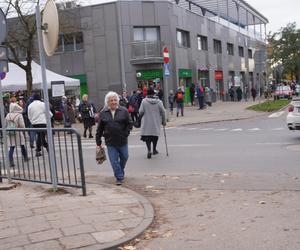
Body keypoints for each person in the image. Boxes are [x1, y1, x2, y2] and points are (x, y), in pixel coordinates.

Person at [96, 91, 133, 185]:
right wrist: (98, 142)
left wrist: (126, 133)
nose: (113, 102)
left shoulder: (123, 110)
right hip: (110, 141)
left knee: (125, 157)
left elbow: (130, 123)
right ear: (107, 102)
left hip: (122, 140)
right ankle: (119, 177)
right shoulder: (103, 113)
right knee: (114, 161)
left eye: (115, 100)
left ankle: (119, 171)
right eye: (111, 100)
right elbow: (99, 128)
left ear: (118, 101)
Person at [139, 88, 166, 159]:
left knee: (147, 137)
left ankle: (149, 150)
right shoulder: (159, 101)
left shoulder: (144, 101)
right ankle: (154, 150)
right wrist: (164, 121)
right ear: (154, 93)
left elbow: (141, 111)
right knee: (155, 136)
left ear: (147, 94)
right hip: (156, 121)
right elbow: (163, 111)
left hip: (147, 122)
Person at [6, 102, 29, 166]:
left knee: (12, 146)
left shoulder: (8, 115)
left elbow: (5, 123)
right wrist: (24, 130)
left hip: (10, 132)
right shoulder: (19, 115)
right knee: (22, 144)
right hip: (18, 131)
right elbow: (22, 125)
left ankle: (11, 161)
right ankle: (25, 157)